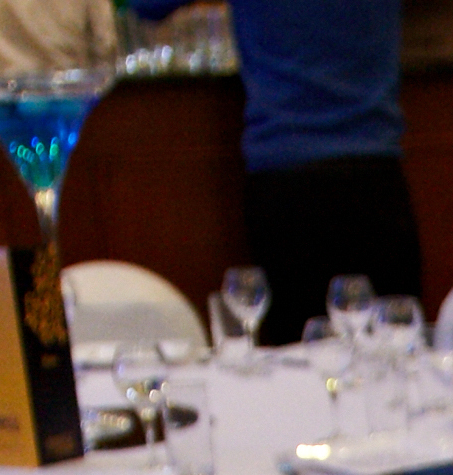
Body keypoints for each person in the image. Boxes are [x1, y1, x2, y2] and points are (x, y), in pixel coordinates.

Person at [140, 0, 421, 345]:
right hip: (377, 178)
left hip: (287, 183)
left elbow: (146, 6)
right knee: (394, 361)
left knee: (297, 367)